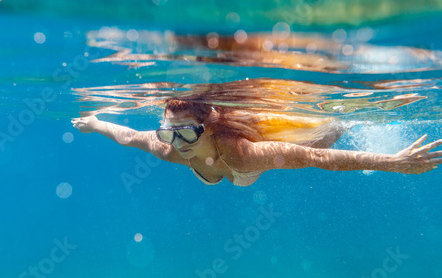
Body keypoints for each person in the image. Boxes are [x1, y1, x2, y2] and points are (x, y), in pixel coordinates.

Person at [72, 95, 442, 186]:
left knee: (321, 141)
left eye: (186, 131)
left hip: (250, 154)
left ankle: (343, 121)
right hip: (230, 165)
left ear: (209, 127)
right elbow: (127, 135)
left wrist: (392, 162)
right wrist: (95, 122)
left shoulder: (245, 155)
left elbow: (320, 161)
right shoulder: (168, 147)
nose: (177, 141)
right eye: (168, 130)